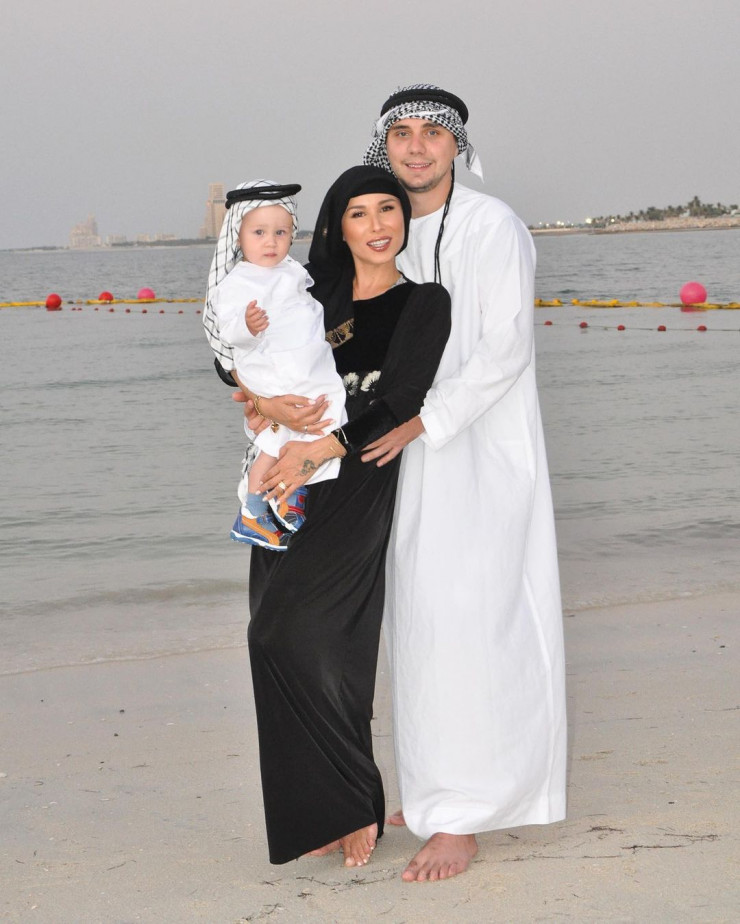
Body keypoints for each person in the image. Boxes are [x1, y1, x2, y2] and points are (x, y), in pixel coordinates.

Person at [204, 166, 451, 866]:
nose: (377, 226)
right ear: (337, 227)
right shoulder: (314, 288)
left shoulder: (423, 301)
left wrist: (321, 447)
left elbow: (401, 398)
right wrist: (263, 402)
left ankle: (353, 799)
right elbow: (233, 353)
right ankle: (325, 809)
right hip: (289, 473)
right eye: (358, 213)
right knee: (268, 633)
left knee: (317, 637)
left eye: (388, 210)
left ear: (405, 219)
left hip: (357, 476)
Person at [356, 84, 568, 882]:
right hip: (404, 452)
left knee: (474, 620)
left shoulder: (492, 224)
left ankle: (466, 813)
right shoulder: (385, 228)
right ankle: (435, 785)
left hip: (479, 451)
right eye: (402, 134)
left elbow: (505, 347)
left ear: (456, 146)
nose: (416, 147)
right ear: (385, 146)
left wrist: (429, 421)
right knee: (419, 620)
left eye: (432, 134)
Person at [205, 179, 347, 551]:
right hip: (270, 368)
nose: (271, 242)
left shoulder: (290, 270)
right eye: (259, 232)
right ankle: (256, 509)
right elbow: (226, 331)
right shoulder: (238, 281)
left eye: (280, 233)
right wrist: (247, 326)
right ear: (238, 237)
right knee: (281, 431)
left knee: (319, 416)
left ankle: (287, 493)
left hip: (303, 364)